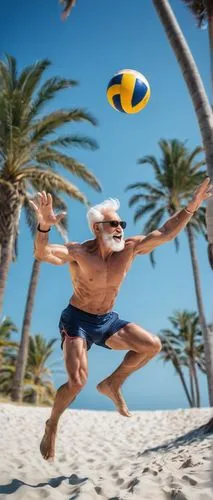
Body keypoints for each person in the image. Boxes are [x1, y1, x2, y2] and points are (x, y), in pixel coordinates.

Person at [30, 177, 212, 460]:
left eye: (121, 224)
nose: (119, 229)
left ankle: (112, 383)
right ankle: (52, 423)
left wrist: (193, 205)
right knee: (77, 382)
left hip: (106, 320)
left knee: (151, 345)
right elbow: (42, 253)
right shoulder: (79, 252)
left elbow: (164, 232)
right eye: (113, 224)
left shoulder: (128, 249)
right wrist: (44, 225)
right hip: (77, 320)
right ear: (96, 228)